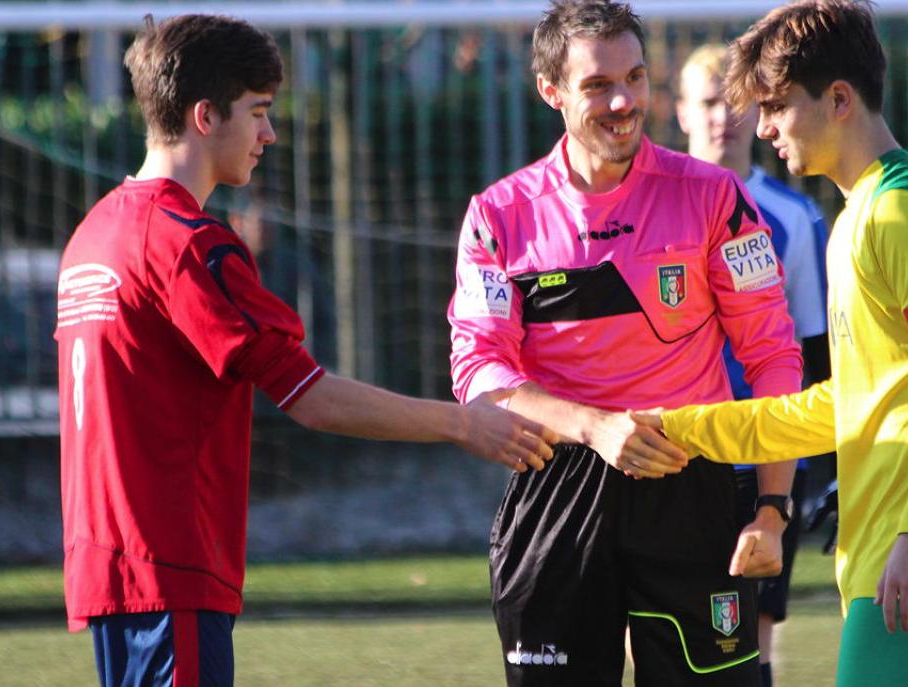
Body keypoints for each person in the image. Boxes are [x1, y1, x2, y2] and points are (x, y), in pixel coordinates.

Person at [54, 14, 558, 687]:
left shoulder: (93, 232)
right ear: (206, 116)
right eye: (258, 112)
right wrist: (465, 423)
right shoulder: (187, 243)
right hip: (169, 569)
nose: (270, 133)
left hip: (104, 565)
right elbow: (310, 395)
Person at [637, 1, 908, 685]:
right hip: (893, 545)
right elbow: (846, 404)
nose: (762, 128)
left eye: (777, 106)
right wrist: (681, 430)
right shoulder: (859, 216)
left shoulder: (905, 212)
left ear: (839, 98)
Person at [446, 1, 802, 684]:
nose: (622, 101)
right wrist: (594, 427)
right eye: (596, 85)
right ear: (550, 91)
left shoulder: (716, 197)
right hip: (557, 486)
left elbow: (773, 355)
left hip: (692, 483)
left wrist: (771, 506)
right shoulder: (498, 216)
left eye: (635, 78)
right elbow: (480, 370)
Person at [676, 43, 831, 687]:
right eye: (708, 102)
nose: (724, 117)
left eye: (736, 102)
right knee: (652, 634)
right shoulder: (640, 210)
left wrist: (821, 469)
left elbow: (814, 355)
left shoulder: (795, 219)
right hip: (667, 453)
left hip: (757, 463)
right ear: (681, 113)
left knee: (751, 639)